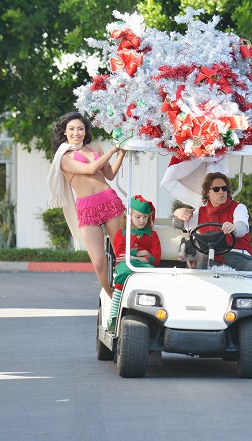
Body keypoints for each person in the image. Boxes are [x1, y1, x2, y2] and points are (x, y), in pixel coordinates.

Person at [47, 112, 126, 297]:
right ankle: (112, 297)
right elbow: (90, 169)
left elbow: (110, 175)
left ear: (85, 130)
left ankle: (124, 292)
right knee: (98, 262)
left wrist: (121, 154)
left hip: (109, 201)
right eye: (72, 129)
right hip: (86, 210)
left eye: (80, 128)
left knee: (120, 253)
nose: (77, 133)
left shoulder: (95, 147)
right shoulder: (64, 158)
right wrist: (113, 150)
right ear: (65, 132)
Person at [173, 172, 252, 272]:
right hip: (213, 259)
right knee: (200, 269)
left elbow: (242, 227)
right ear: (207, 192)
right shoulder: (199, 212)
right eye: (216, 189)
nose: (221, 192)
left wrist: (234, 228)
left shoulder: (238, 207)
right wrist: (177, 213)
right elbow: (179, 225)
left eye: (224, 188)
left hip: (238, 258)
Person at [108, 195, 161, 331]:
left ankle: (150, 315)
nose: (142, 220)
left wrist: (135, 257)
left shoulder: (152, 235)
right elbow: (120, 255)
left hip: (144, 265)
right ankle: (114, 315)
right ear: (129, 215)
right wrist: (140, 253)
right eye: (138, 217)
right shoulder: (122, 233)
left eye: (145, 217)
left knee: (150, 273)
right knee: (125, 271)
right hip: (125, 265)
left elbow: (155, 257)